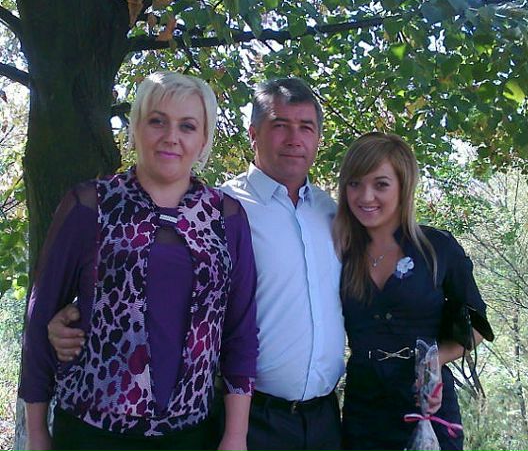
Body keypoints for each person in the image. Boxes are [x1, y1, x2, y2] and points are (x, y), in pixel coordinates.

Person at [46, 77, 346, 450]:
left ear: (318, 138)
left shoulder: (333, 214)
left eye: (306, 127)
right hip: (247, 417)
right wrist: (75, 314)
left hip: (324, 420)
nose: (294, 139)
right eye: (280, 125)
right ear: (253, 134)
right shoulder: (219, 212)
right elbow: (152, 276)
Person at [18, 71, 258, 451]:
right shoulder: (90, 205)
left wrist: (236, 435)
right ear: (136, 128)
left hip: (191, 435)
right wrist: (36, 434)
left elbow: (240, 330)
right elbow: (40, 314)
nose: (171, 137)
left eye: (188, 126)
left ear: (203, 140)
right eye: (157, 121)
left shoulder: (226, 217)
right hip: (91, 433)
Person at [332, 132, 495, 451]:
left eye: (381, 184)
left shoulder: (438, 249)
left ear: (403, 186)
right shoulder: (338, 251)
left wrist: (436, 360)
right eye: (354, 183)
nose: (365, 196)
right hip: (364, 410)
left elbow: (477, 328)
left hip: (429, 407)